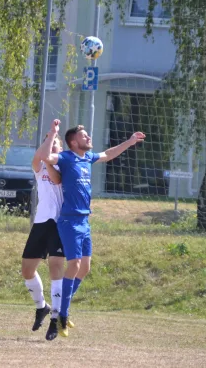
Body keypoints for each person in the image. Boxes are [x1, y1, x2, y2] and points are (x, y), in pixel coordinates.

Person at [41, 120, 145, 337]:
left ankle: (62, 309)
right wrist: (52, 134)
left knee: (85, 268)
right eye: (84, 135)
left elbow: (108, 154)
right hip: (69, 221)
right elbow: (46, 158)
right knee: (75, 264)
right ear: (73, 142)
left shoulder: (87, 156)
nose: (88, 138)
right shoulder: (67, 158)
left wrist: (130, 141)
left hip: (84, 221)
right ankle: (62, 315)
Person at [22, 134, 71, 341]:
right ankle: (42, 307)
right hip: (41, 221)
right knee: (27, 270)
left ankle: (55, 318)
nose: (51, 149)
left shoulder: (64, 166)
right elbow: (37, 159)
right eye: (48, 145)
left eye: (55, 146)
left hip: (59, 222)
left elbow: (56, 179)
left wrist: (50, 159)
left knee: (55, 266)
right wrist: (50, 136)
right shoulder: (38, 165)